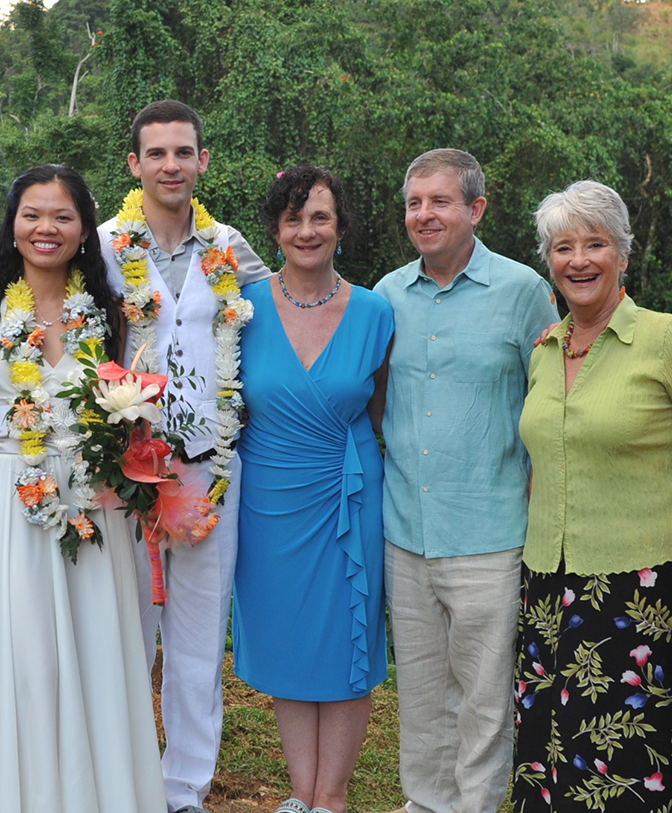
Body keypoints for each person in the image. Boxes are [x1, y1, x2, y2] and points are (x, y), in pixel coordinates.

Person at [0, 164, 167, 813]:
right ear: (12, 225)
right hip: (11, 497)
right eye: (33, 215)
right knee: (22, 658)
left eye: (63, 216)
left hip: (94, 498)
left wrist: (125, 445)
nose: (47, 228)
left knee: (98, 650)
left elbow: (136, 403)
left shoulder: (110, 312)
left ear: (83, 229)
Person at [95, 99, 270, 813]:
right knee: (126, 629)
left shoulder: (229, 246)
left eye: (184, 152)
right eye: (157, 153)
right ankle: (127, 778)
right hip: (124, 470)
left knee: (199, 636)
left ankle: (185, 789)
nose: (172, 165)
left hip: (211, 467)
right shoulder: (103, 243)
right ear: (135, 165)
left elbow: (292, 307)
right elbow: (40, 305)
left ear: (203, 162)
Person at [511, 180, 672, 811]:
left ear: (621, 253)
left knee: (629, 755)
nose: (579, 260)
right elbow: (547, 461)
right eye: (563, 246)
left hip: (642, 582)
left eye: (595, 243)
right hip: (547, 581)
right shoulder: (545, 349)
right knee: (547, 749)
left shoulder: (671, 339)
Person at [374, 148, 558, 813]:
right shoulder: (387, 295)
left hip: (491, 533)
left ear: (476, 209)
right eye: (415, 203)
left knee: (483, 699)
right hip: (405, 531)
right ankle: (425, 804)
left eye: (440, 201)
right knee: (421, 695)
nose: (425, 215)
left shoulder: (523, 293)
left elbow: (555, 402)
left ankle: (476, 806)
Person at [231, 165, 395, 813]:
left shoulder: (377, 311)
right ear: (275, 229)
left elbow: (381, 409)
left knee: (350, 644)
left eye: (319, 217)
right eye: (294, 218)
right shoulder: (241, 307)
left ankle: (333, 798)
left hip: (347, 494)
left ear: (341, 228)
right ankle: (302, 795)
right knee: (289, 643)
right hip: (269, 496)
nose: (307, 231)